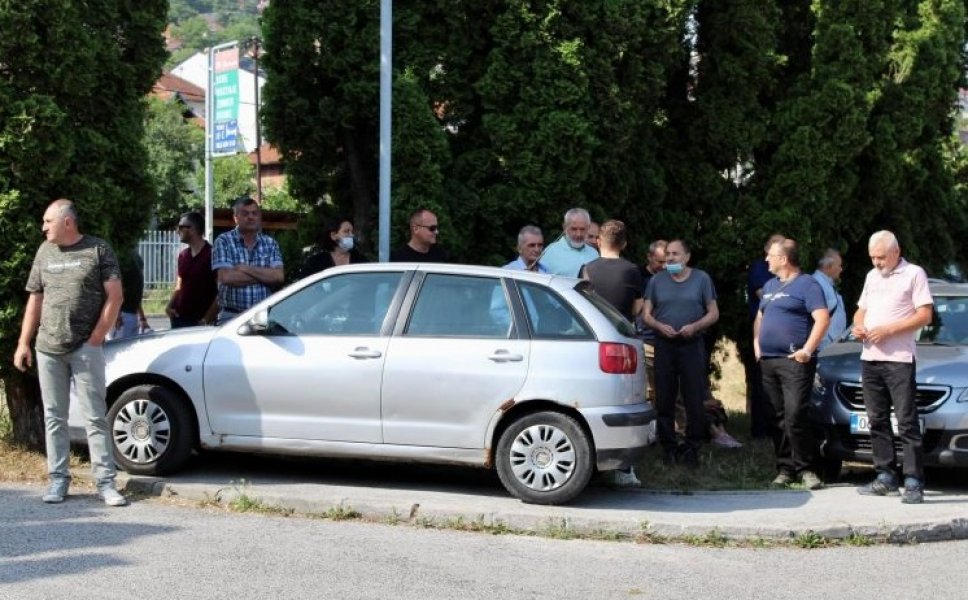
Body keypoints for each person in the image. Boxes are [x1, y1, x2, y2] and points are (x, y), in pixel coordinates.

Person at [12, 199, 127, 506]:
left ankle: (105, 483)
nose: (43, 227)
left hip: (84, 347)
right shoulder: (44, 252)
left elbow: (115, 296)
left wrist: (96, 337)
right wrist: (24, 342)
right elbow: (35, 299)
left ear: (67, 222)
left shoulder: (98, 249)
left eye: (48, 221)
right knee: (54, 417)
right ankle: (58, 481)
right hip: (48, 347)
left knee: (95, 416)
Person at [853, 231, 933, 504]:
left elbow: (924, 314)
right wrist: (858, 325)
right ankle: (885, 476)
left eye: (881, 257)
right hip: (870, 358)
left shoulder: (914, 274)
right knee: (876, 419)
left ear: (896, 252)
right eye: (873, 257)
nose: (876, 262)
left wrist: (888, 330)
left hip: (898, 359)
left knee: (907, 421)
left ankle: (913, 480)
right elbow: (860, 309)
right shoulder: (872, 276)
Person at [753, 238, 830, 490]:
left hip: (794, 361)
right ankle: (785, 468)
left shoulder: (808, 285)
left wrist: (808, 350)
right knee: (776, 416)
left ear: (784, 259)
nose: (767, 260)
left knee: (795, 413)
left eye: (771, 256)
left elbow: (821, 319)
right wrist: (757, 346)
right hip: (768, 361)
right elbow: (760, 316)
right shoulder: (769, 285)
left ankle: (807, 469)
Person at [642, 239, 719, 467]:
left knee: (693, 398)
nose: (671, 258)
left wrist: (695, 326)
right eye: (668, 254)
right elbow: (646, 314)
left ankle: (692, 447)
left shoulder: (701, 279)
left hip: (692, 344)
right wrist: (657, 325)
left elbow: (713, 312)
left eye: (676, 254)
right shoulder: (657, 281)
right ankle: (669, 447)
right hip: (664, 345)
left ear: (687, 256)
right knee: (664, 398)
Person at [211, 196, 285, 324]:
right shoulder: (223, 241)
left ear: (259, 217)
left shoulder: (270, 243)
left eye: (254, 213)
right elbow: (226, 278)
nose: (250, 217)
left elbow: (278, 276)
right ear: (235, 218)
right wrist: (265, 276)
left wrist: (245, 268)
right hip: (231, 316)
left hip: (262, 316)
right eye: (245, 213)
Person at [745, 233, 786, 439]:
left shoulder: (788, 272)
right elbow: (765, 297)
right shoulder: (759, 268)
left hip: (784, 334)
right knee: (762, 381)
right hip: (763, 330)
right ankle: (760, 430)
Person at [579, 220, 643, 322]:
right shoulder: (632, 270)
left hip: (595, 329)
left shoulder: (585, 269)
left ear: (599, 242)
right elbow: (637, 308)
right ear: (624, 245)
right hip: (622, 330)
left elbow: (581, 304)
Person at [166, 211, 218, 328]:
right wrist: (169, 307)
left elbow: (222, 290)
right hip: (178, 318)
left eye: (180, 227)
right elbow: (180, 284)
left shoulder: (213, 254)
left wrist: (207, 319)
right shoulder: (183, 255)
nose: (177, 231)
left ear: (192, 229)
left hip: (200, 322)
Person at [636, 240, 667, 402]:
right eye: (660, 261)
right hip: (647, 340)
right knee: (650, 391)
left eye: (667, 262)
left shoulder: (672, 277)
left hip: (669, 340)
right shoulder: (639, 277)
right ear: (649, 257)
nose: (664, 266)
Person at [298, 217, 369, 278]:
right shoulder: (316, 262)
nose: (351, 235)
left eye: (352, 232)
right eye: (346, 231)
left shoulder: (360, 260)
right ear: (333, 235)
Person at [540, 207, 599, 277]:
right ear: (564, 227)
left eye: (582, 229)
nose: (578, 234)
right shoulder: (551, 251)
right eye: (574, 229)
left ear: (588, 228)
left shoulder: (594, 254)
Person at [107, 249, 148, 339]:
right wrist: (142, 317)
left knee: (118, 349)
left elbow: (122, 289)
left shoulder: (123, 258)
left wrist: (117, 316)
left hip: (123, 316)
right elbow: (133, 290)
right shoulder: (136, 257)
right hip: (128, 315)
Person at [813, 248, 847, 350]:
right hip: (825, 346)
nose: (841, 269)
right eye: (839, 265)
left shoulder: (826, 283)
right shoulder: (816, 284)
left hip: (832, 345)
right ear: (828, 267)